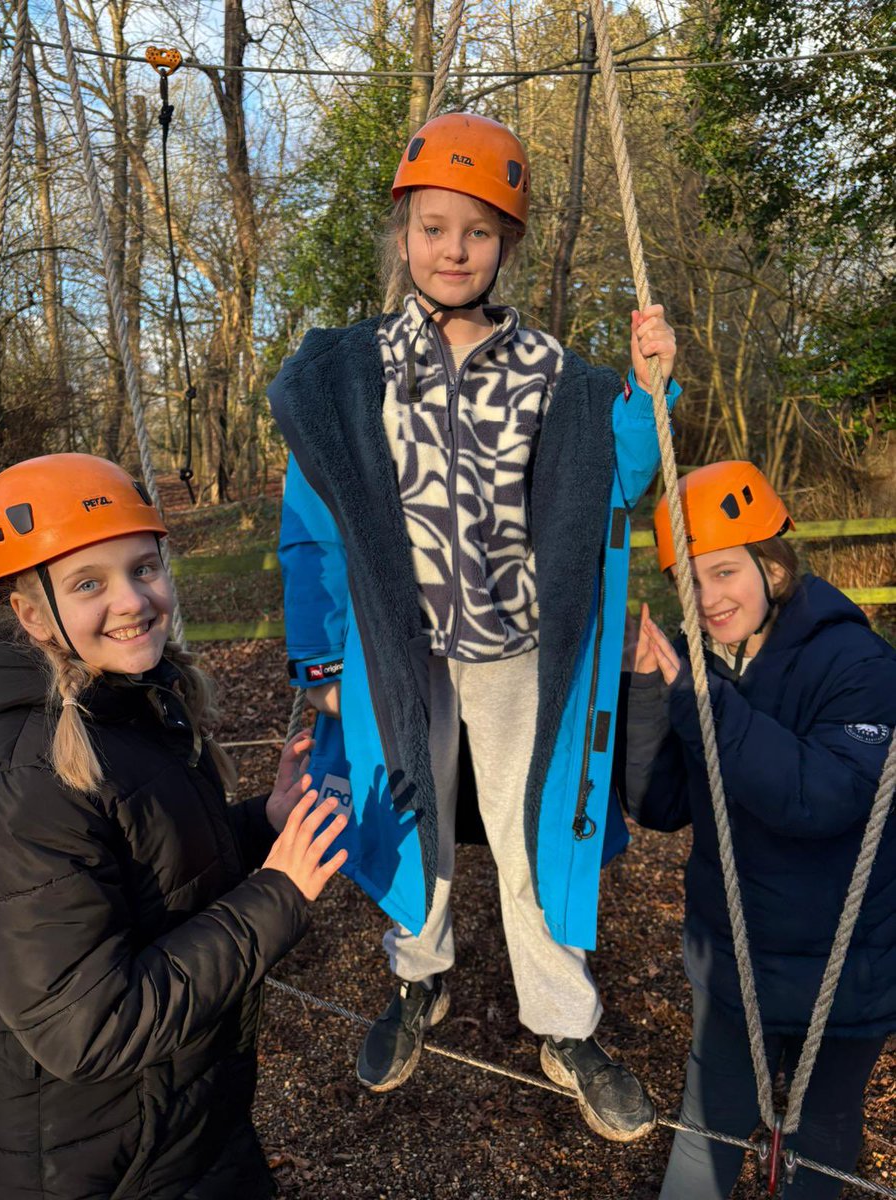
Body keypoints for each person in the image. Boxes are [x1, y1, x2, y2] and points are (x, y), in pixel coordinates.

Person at [269, 110, 679, 1141]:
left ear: (507, 247)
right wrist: (319, 656)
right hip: (397, 657)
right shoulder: (351, 376)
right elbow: (312, 528)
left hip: (518, 658)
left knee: (534, 837)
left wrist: (646, 392)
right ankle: (420, 978)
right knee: (411, 819)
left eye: (479, 232)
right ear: (403, 234)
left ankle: (564, 1021)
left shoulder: (550, 372)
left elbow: (613, 485)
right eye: (435, 227)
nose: (455, 250)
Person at [0, 453, 348, 1200]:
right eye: (88, 583)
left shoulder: (122, 703)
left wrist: (260, 825)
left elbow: (144, 873)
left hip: (183, 1121)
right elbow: (88, 1025)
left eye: (144, 568)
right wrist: (278, 895)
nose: (132, 601)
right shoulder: (32, 776)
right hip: (105, 1160)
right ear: (31, 614)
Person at [623, 460, 895, 1197]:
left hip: (841, 971)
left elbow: (820, 797)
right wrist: (651, 692)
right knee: (703, 1137)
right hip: (733, 963)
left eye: (724, 573)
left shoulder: (859, 664)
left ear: (771, 566)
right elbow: (659, 804)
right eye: (693, 580)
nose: (709, 599)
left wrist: (698, 696)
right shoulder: (703, 661)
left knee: (821, 1140)